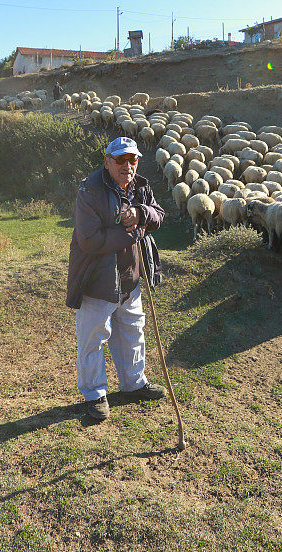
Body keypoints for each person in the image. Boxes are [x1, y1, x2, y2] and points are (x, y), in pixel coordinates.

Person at [66, 136, 167, 421]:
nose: (127, 165)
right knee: (94, 339)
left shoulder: (141, 188)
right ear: (108, 161)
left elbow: (159, 215)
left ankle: (133, 384)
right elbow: (89, 240)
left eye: (132, 159)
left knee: (133, 331)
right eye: (120, 159)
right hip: (97, 281)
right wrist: (135, 231)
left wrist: (140, 212)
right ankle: (95, 394)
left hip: (131, 277)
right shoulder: (90, 190)